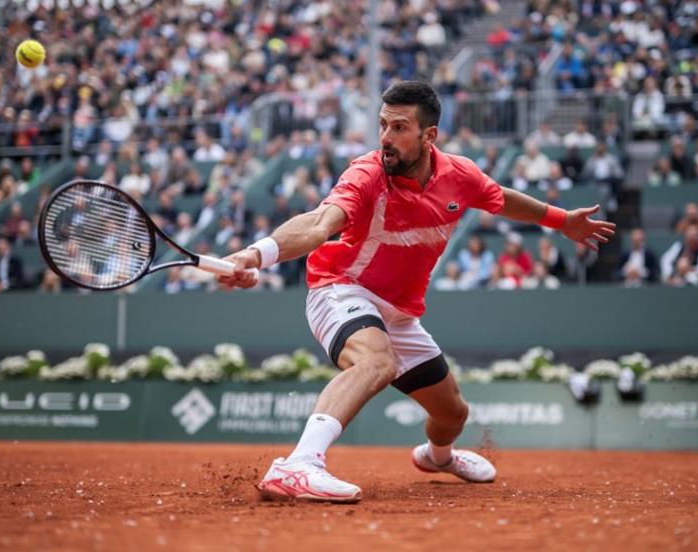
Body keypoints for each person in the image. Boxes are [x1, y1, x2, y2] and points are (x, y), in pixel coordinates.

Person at [218, 81, 615, 503]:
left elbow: (499, 198)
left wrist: (560, 220)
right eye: (383, 125)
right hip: (341, 289)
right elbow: (318, 224)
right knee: (376, 362)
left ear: (430, 136)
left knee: (452, 414)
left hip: (400, 312)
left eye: (399, 128)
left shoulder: (459, 176)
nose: (386, 138)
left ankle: (438, 457)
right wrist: (256, 254)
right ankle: (299, 464)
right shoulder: (367, 173)